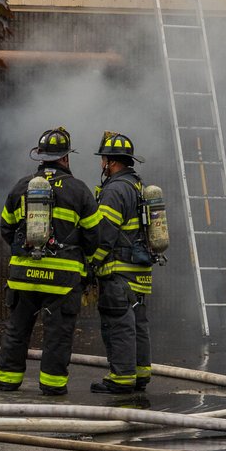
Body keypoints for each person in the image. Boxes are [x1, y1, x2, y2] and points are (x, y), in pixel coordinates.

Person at [0, 126, 99, 396]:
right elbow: (93, 236)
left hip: (23, 276)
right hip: (61, 282)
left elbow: (6, 228)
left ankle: (7, 380)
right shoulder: (79, 190)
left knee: (17, 329)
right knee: (57, 335)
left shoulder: (21, 186)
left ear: (40, 156)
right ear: (65, 158)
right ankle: (52, 386)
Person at [89, 131, 154, 394]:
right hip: (139, 270)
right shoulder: (137, 186)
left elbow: (105, 234)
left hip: (119, 272)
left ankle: (122, 378)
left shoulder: (115, 190)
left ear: (110, 161)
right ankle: (140, 373)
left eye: (103, 159)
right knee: (137, 322)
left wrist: (90, 263)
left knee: (118, 323)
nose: (102, 164)